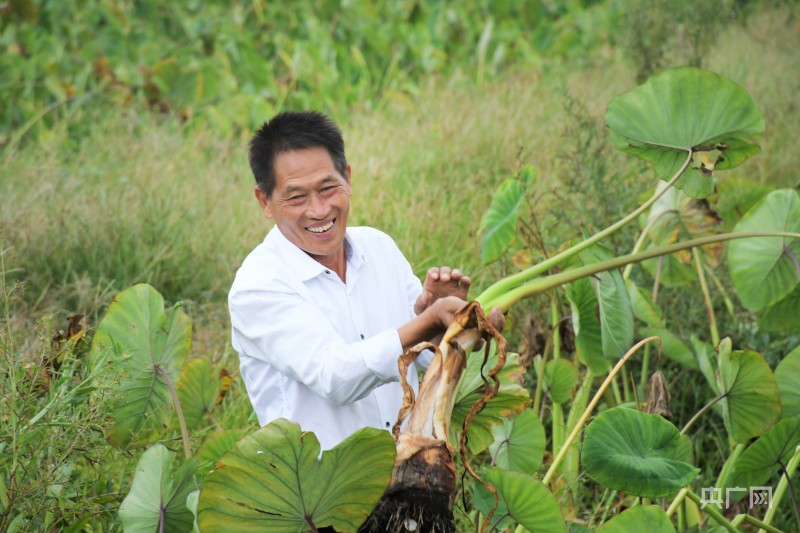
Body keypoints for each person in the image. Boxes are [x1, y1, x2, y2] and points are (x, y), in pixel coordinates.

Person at [228, 111, 501, 450]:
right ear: (265, 201)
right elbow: (335, 377)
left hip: (410, 471)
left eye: (329, 188)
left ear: (347, 178)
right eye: (297, 197)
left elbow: (424, 363)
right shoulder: (258, 284)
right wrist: (427, 320)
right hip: (321, 493)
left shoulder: (379, 248)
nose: (318, 210)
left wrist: (451, 327)